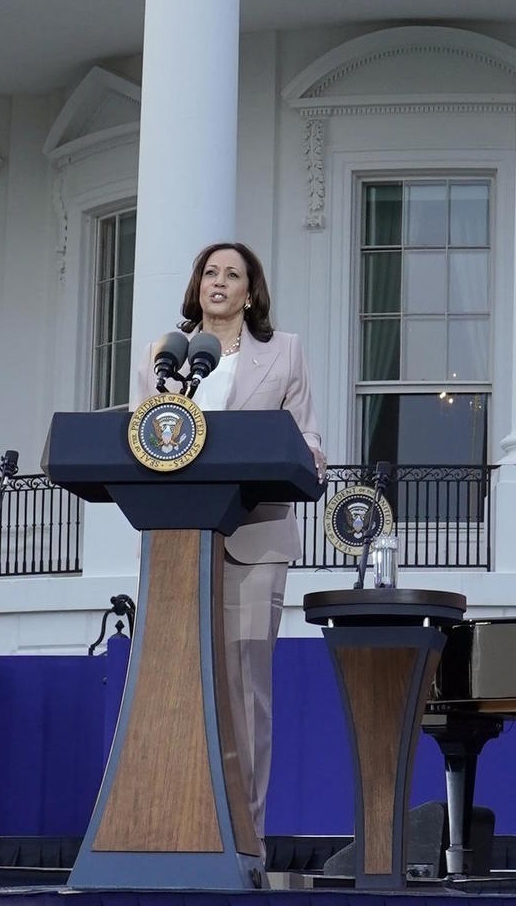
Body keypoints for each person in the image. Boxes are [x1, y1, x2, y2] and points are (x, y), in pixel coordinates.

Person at [134, 240, 322, 840]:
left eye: (231, 274)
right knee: (172, 682)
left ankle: (245, 836)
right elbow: (144, 437)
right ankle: (174, 825)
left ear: (250, 291)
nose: (218, 282)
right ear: (198, 286)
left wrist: (300, 457)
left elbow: (310, 444)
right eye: (209, 273)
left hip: (254, 537)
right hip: (177, 542)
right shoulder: (165, 355)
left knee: (244, 692)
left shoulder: (283, 353)